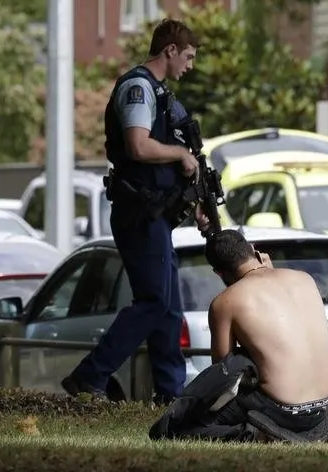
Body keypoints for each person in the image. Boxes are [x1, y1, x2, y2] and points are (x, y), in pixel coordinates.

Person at [61, 19, 201, 405]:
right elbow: (139, 147)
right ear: (170, 50)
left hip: (155, 215)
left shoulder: (161, 94)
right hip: (138, 213)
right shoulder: (139, 88)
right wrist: (180, 154)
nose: (189, 65)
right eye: (187, 56)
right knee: (154, 301)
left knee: (169, 308)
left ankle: (171, 394)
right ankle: (89, 377)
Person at [149, 226, 328, 443]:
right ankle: (303, 433)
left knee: (181, 430)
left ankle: (254, 434)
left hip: (280, 410)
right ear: (253, 249)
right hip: (320, 410)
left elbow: (223, 371)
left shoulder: (225, 302)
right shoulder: (305, 279)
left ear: (219, 272)